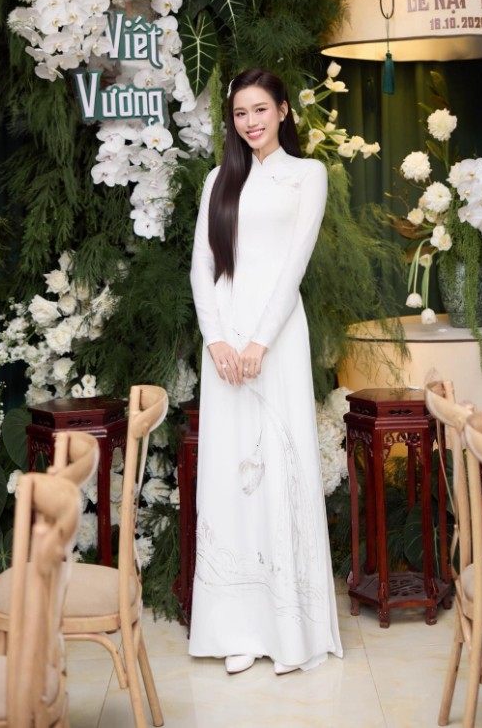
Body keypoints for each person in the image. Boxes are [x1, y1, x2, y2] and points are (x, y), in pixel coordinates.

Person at [188, 67, 343, 675]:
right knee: (230, 473)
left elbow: (294, 266)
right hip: (224, 347)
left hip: (276, 341)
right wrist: (217, 340)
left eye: (260, 109)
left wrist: (259, 342)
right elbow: (202, 268)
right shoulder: (218, 181)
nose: (250, 122)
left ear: (282, 111)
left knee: (278, 465)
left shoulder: (307, 175)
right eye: (240, 113)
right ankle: (238, 628)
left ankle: (289, 627)